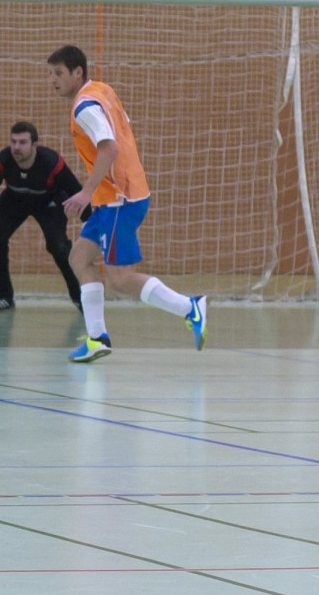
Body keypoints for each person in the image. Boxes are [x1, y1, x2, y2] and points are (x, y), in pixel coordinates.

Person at [46, 43, 207, 362]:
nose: (53, 80)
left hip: (119, 200)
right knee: (79, 259)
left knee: (120, 278)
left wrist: (85, 193)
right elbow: (121, 128)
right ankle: (97, 338)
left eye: (58, 73)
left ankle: (190, 307)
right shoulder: (102, 90)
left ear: (77, 72)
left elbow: (109, 148)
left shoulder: (84, 108)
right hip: (116, 197)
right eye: (50, 73)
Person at [0, 121, 86, 312]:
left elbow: (76, 191)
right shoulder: (3, 160)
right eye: (13, 142)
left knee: (58, 246)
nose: (16, 147)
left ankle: (80, 297)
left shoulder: (51, 162)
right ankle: (4, 296)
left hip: (49, 201)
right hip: (15, 198)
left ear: (34, 145)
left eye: (23, 142)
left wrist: (89, 223)